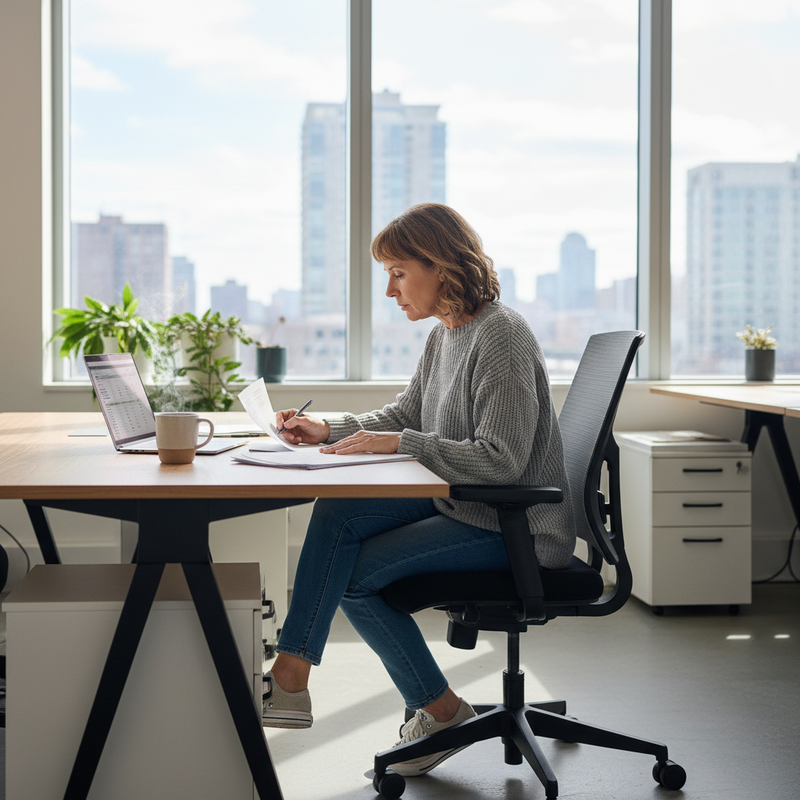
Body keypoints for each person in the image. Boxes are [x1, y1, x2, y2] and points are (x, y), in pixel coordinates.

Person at [262, 203, 576, 777]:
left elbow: (503, 463)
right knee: (340, 511)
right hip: (466, 501)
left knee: (354, 579)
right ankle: (293, 673)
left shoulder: (500, 336)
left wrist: (400, 442)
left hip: (515, 523)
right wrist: (327, 429)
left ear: (442, 267)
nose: (390, 290)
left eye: (399, 272)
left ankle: (438, 711)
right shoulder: (447, 335)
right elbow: (407, 413)